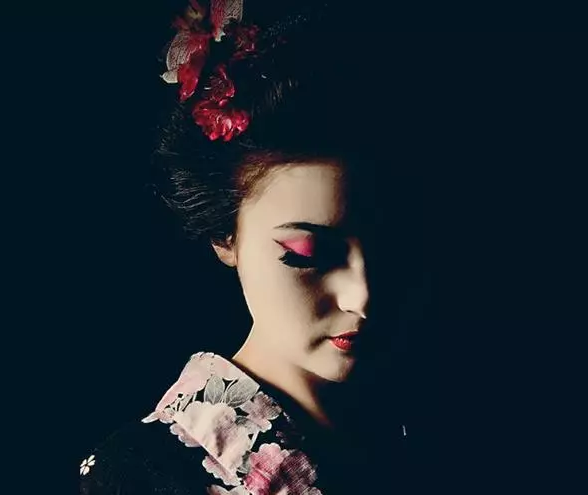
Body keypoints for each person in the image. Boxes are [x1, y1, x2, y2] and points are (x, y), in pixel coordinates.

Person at [79, 1, 424, 493]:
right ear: (225, 235)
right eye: (306, 255)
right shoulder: (143, 476)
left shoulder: (421, 418)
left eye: (390, 247)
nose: (362, 296)